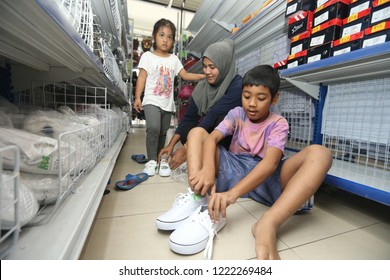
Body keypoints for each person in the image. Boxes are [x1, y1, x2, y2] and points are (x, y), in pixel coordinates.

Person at [166, 65, 333, 259]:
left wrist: (232, 195)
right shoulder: (237, 113)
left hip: (268, 179)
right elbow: (211, 139)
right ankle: (199, 195)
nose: (252, 104)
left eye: (261, 98)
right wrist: (208, 172)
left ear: (274, 98)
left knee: (321, 153)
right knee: (196, 133)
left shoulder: (278, 123)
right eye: (247, 96)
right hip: (234, 168)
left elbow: (270, 164)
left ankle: (268, 223)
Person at [133, 18, 206, 176]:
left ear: (173, 40)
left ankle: (160, 160)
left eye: (170, 37)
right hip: (151, 100)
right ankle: (151, 160)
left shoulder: (174, 59)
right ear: (154, 36)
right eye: (161, 35)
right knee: (153, 128)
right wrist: (138, 97)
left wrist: (202, 76)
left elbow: (185, 75)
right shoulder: (147, 56)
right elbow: (142, 77)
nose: (165, 40)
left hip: (167, 103)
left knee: (163, 132)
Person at [158, 38, 242, 170]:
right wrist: (171, 145)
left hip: (226, 137)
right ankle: (200, 154)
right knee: (187, 130)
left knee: (220, 120)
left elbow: (214, 115)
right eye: (205, 66)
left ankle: (217, 160)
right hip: (209, 130)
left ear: (224, 64)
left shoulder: (237, 85)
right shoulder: (203, 87)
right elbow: (188, 118)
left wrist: (187, 148)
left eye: (212, 67)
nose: (207, 72)